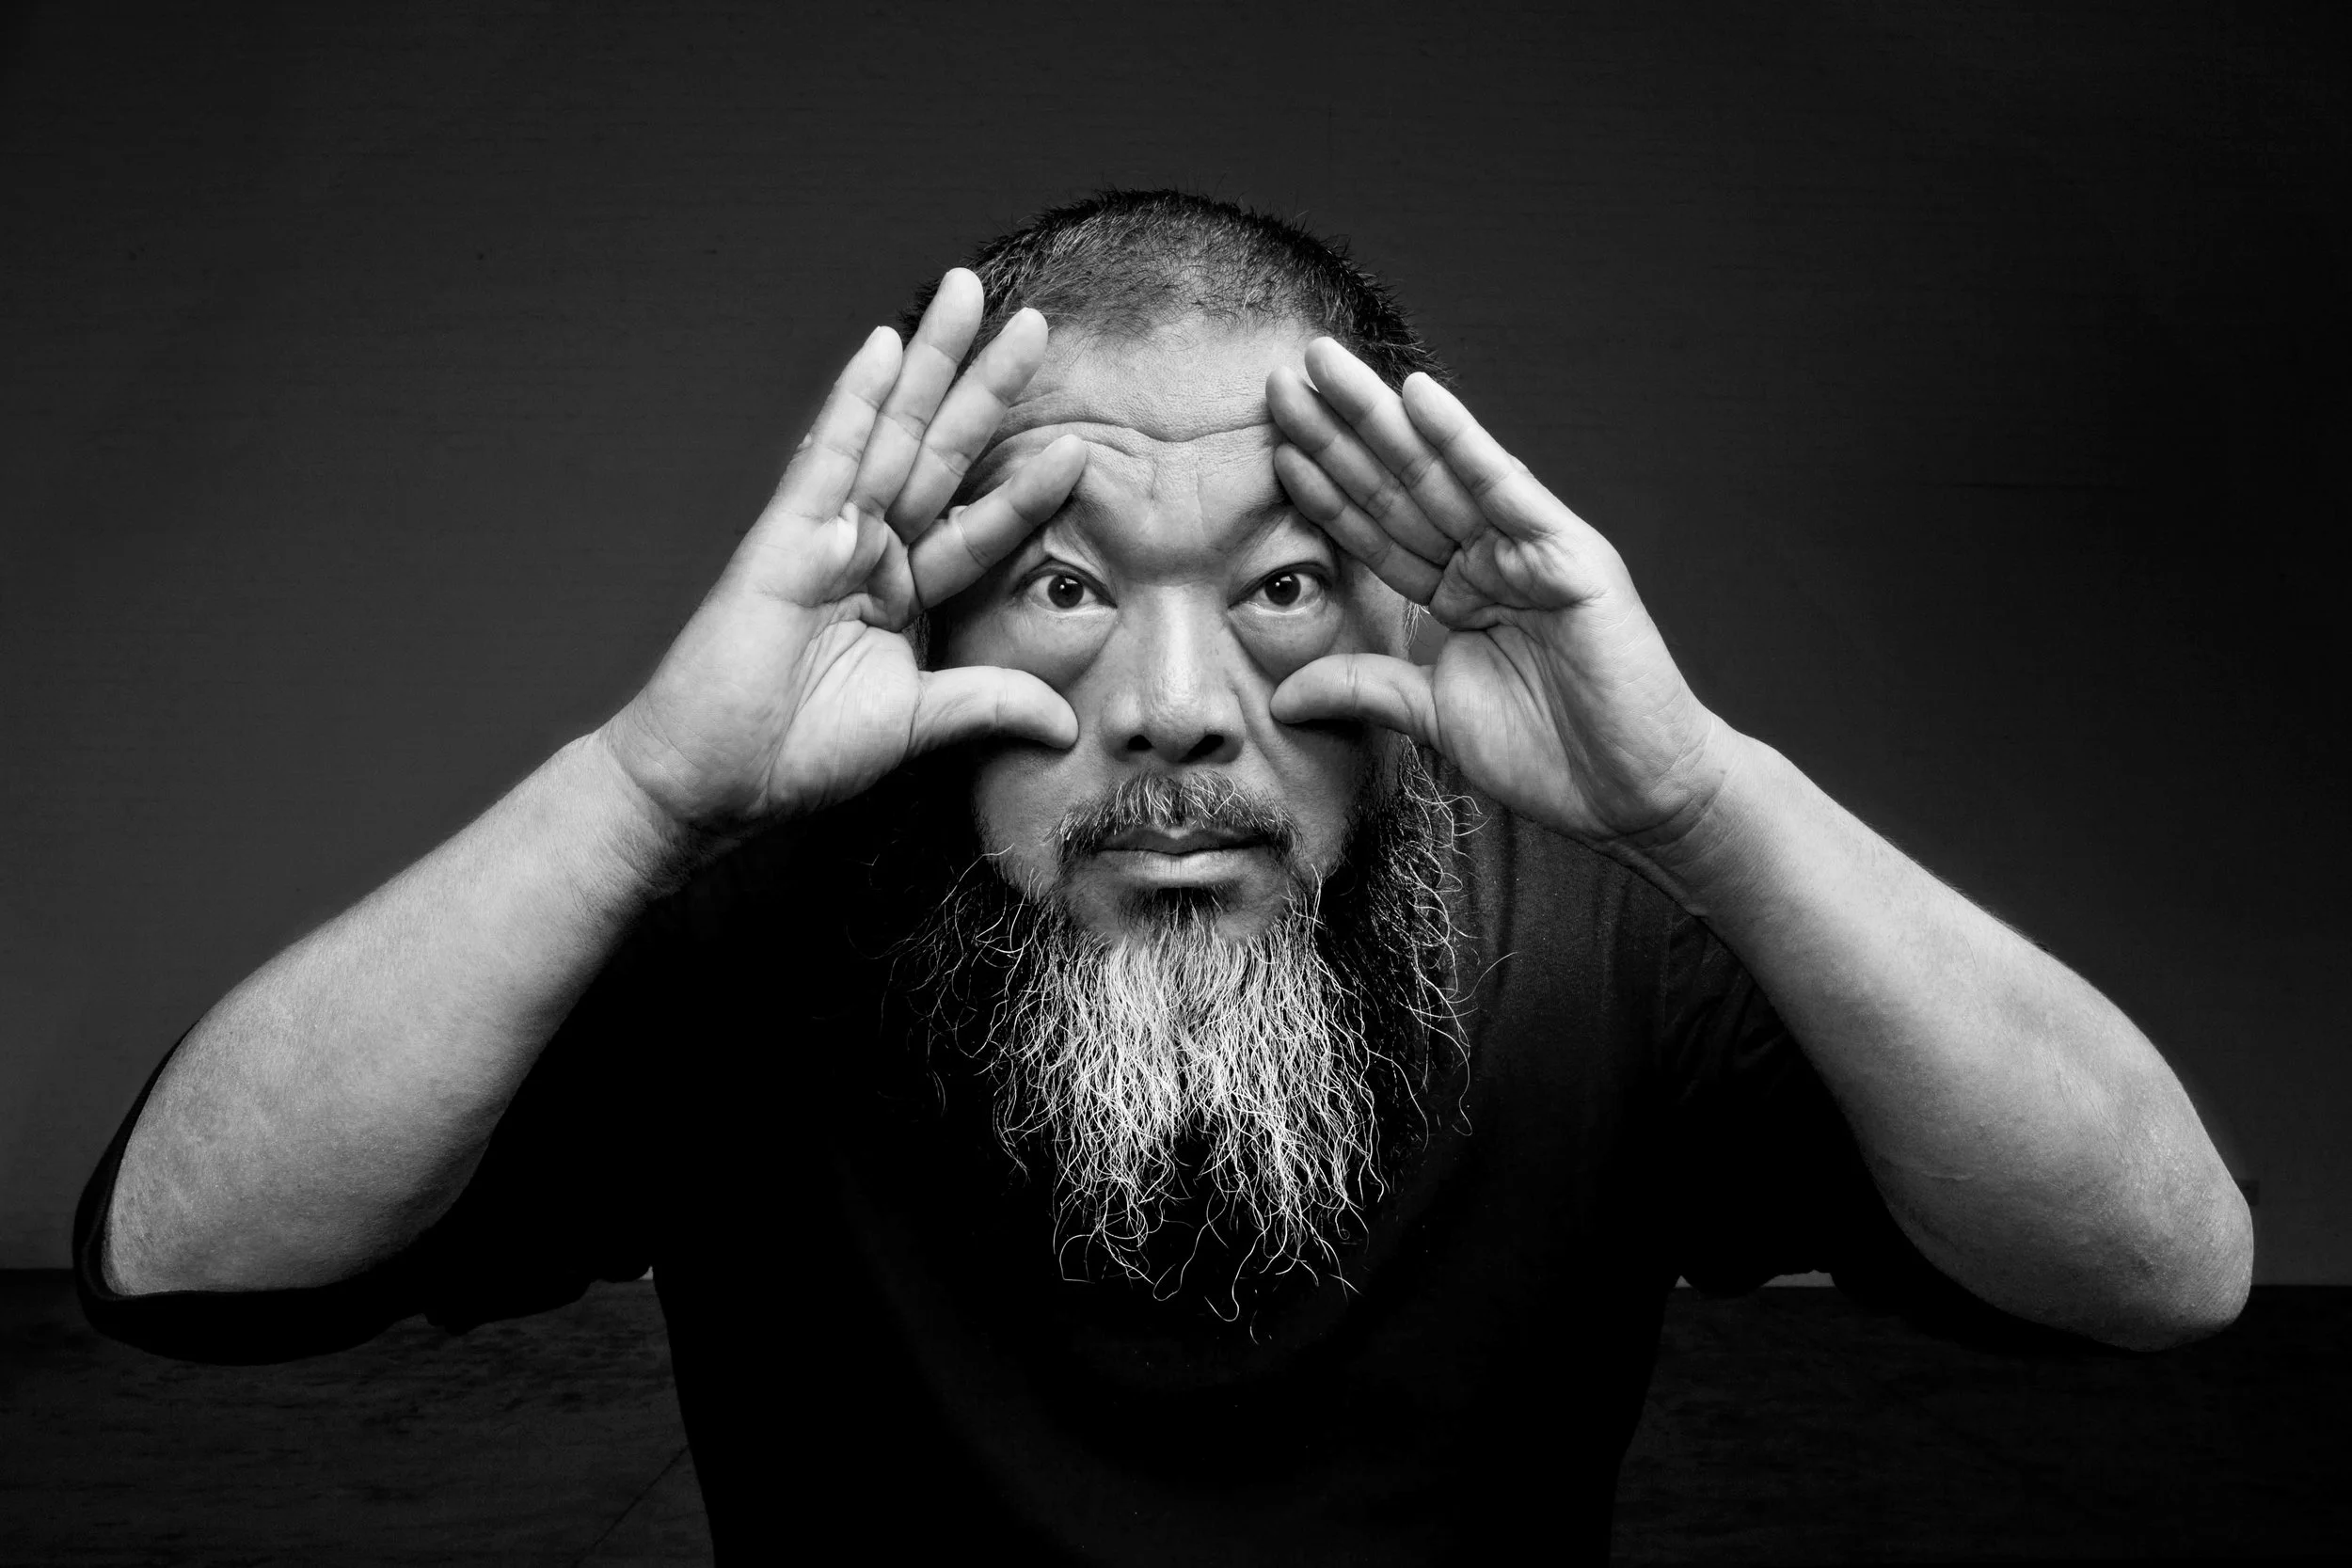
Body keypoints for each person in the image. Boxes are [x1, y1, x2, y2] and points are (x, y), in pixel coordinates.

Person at [76, 191, 2250, 1563]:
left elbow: (2154, 1263)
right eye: (1061, 584)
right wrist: (643, 784)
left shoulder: (1597, 941)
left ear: (1400, 604)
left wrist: (1693, 794)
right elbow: (186, 1253)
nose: (1179, 706)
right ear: (921, 614)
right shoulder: (753, 932)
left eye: (1282, 580)